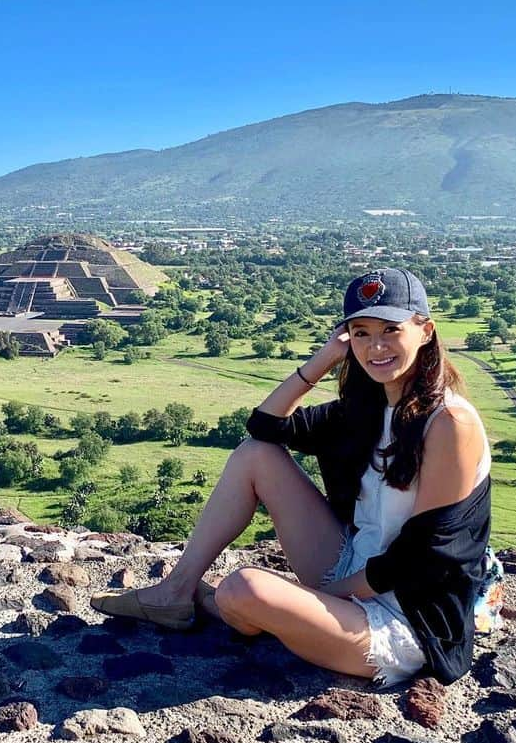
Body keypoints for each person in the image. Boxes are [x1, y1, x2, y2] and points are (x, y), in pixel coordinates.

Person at [91, 268, 492, 686]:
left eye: (391, 330)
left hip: (404, 616)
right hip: (353, 568)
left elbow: (419, 560)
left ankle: (234, 609)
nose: (376, 346)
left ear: (425, 331)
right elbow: (264, 427)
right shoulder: (369, 407)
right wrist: (322, 360)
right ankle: (175, 592)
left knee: (242, 589)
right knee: (256, 457)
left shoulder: (448, 422)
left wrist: (323, 596)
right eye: (360, 333)